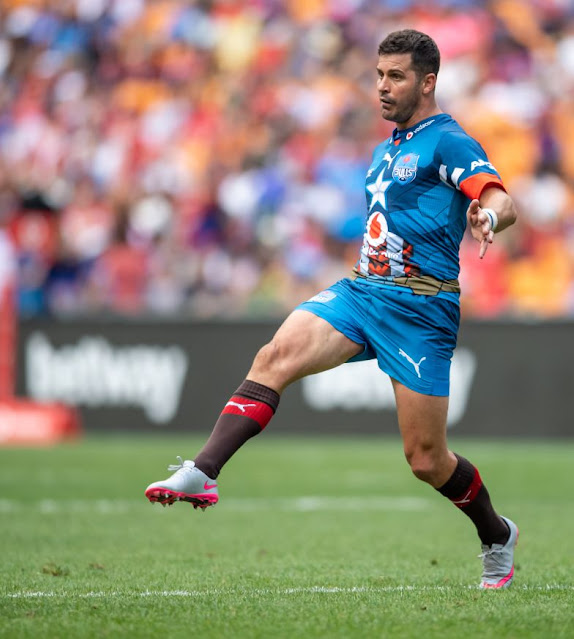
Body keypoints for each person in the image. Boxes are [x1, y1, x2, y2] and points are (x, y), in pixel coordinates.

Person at [144, 29, 519, 589]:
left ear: (428, 82)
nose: (383, 86)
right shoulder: (385, 148)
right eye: (378, 74)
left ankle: (496, 534)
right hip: (364, 292)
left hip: (422, 311)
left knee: (426, 459)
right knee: (275, 355)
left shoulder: (448, 141)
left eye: (396, 76)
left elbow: (498, 196)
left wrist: (489, 218)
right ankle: (204, 470)